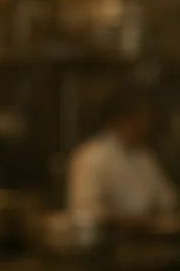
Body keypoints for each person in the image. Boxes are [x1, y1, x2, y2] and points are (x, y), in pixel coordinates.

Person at [67, 85, 177, 223]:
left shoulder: (145, 156)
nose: (148, 125)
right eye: (143, 117)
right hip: (109, 242)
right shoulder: (90, 156)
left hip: (149, 240)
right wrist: (127, 219)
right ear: (123, 119)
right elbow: (84, 212)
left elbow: (168, 202)